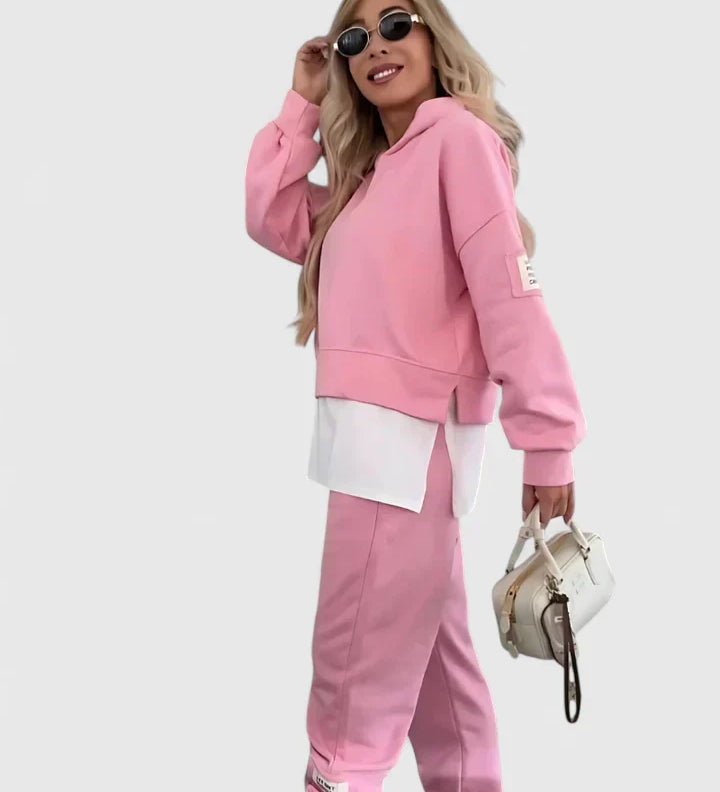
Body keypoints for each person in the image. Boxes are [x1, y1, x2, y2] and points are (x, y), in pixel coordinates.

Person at [244, 1, 586, 790]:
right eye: (355, 37)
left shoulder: (457, 141)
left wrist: (548, 437)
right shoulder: (368, 182)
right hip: (379, 452)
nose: (376, 46)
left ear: (435, 36)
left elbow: (509, 291)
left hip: (403, 453)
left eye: (396, 22)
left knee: (350, 693)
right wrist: (301, 102)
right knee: (440, 684)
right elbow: (270, 215)